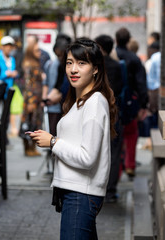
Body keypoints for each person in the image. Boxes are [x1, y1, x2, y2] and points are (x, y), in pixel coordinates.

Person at [27, 38, 117, 239]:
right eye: (69, 63)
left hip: (81, 195)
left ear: (95, 69)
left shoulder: (94, 103)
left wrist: (52, 142)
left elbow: (87, 158)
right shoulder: (81, 101)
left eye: (81, 63)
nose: (73, 69)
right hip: (76, 193)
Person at [115, 27, 148, 179]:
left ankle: (118, 167)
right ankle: (130, 165)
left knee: (116, 136)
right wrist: (143, 104)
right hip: (130, 102)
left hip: (113, 103)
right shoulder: (134, 59)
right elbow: (141, 83)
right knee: (131, 134)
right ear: (128, 40)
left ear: (116, 39)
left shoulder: (111, 56)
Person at [95, 34, 123, 202]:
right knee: (113, 152)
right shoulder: (117, 66)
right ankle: (110, 190)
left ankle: (98, 186)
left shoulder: (97, 66)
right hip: (114, 112)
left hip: (97, 111)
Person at [19, 41, 44, 156]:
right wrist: (29, 101)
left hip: (37, 99)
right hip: (31, 99)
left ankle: (33, 148)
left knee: (35, 123)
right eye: (36, 50)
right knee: (28, 122)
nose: (39, 52)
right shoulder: (29, 64)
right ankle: (27, 149)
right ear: (31, 52)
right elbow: (28, 84)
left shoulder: (36, 63)